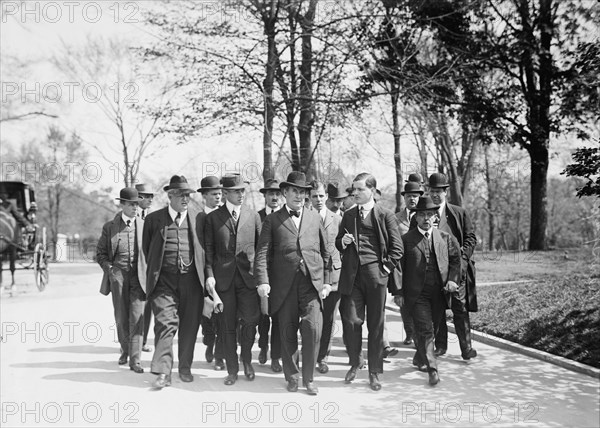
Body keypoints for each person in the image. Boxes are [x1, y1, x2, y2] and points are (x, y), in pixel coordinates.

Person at [255, 171, 332, 395]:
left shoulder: (314, 217)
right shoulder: (272, 220)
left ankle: (309, 378)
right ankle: (292, 376)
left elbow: (327, 252)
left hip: (311, 284)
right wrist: (263, 281)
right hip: (284, 286)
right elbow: (262, 254)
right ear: (285, 193)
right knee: (288, 332)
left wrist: (327, 281)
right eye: (295, 191)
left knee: (312, 329)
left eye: (302, 192)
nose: (299, 196)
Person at [336, 173, 403, 391]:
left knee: (376, 325)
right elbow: (338, 243)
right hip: (353, 277)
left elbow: (397, 249)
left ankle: (374, 372)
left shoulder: (385, 215)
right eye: (353, 189)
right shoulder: (348, 216)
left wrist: (384, 270)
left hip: (376, 276)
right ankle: (356, 362)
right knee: (352, 320)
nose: (354, 193)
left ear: (372, 191)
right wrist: (343, 242)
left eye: (359, 189)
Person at [142, 175, 205, 388]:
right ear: (170, 196)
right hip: (163, 282)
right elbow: (147, 249)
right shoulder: (153, 220)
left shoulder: (199, 218)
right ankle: (163, 372)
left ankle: (185, 367)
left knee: (189, 326)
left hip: (192, 282)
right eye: (181, 195)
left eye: (188, 195)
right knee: (164, 324)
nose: (186, 198)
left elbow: (205, 251)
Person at [394, 195, 461, 386]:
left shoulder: (445, 238)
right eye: (422, 214)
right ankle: (433, 369)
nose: (426, 218)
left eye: (430, 214)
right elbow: (398, 268)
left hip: (439, 292)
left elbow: (456, 261)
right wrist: (398, 292)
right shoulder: (406, 240)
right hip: (417, 294)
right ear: (415, 217)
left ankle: (418, 357)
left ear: (435, 217)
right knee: (426, 329)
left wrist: (452, 280)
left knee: (435, 327)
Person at [205, 174, 262, 386]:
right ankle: (232, 370)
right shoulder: (213, 218)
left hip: (248, 280)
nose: (241, 194)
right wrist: (209, 276)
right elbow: (208, 251)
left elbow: (261, 249)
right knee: (226, 327)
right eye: (236, 191)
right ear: (226, 193)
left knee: (251, 321)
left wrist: (261, 276)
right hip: (224, 282)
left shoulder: (253, 215)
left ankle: (246, 359)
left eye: (242, 190)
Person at [427, 173, 478, 360]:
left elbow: (471, 238)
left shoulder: (458, 213)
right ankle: (440, 346)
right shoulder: (424, 213)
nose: (435, 195)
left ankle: (466, 348)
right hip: (435, 271)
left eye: (438, 191)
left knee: (460, 308)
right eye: (432, 191)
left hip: (458, 271)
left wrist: (462, 260)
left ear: (445, 192)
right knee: (438, 309)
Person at [96, 187, 147, 373]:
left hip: (138, 277)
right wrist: (109, 269)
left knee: (137, 316)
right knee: (121, 316)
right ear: (122, 204)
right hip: (118, 275)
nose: (135, 207)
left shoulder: (144, 225)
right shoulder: (110, 227)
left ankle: (136, 359)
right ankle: (125, 350)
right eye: (132, 204)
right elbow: (100, 254)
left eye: (137, 204)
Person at [309, 181, 345, 374]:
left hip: (334, 276)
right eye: (314, 196)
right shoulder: (304, 218)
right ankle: (310, 354)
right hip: (312, 276)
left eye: (321, 196)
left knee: (330, 319)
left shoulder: (338, 219)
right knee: (313, 319)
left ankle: (323, 357)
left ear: (327, 197)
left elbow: (344, 248)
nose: (318, 200)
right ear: (309, 198)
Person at [196, 176, 226, 371]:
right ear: (204, 196)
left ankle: (219, 355)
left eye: (220, 194)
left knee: (222, 313)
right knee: (205, 313)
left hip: (222, 272)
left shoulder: (225, 216)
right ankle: (209, 341)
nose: (218, 197)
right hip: (199, 272)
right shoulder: (197, 218)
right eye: (214, 194)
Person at [256, 178, 282, 373]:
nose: (274, 197)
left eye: (277, 194)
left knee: (279, 316)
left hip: (282, 275)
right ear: (264, 196)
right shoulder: (256, 217)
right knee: (263, 315)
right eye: (270, 194)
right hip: (262, 274)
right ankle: (263, 346)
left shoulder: (285, 217)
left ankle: (276, 356)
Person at [394, 180, 424, 346]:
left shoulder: (426, 216)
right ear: (404, 198)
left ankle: (422, 334)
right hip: (402, 265)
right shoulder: (396, 218)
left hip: (422, 265)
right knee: (403, 301)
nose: (412, 199)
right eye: (409, 196)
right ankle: (409, 332)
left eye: (415, 196)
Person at [135, 183, 155, 353]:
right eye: (146, 196)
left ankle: (143, 341)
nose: (149, 199)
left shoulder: (155, 217)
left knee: (147, 307)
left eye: (151, 196)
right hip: (133, 269)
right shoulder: (130, 216)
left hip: (150, 269)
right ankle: (129, 343)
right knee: (132, 308)